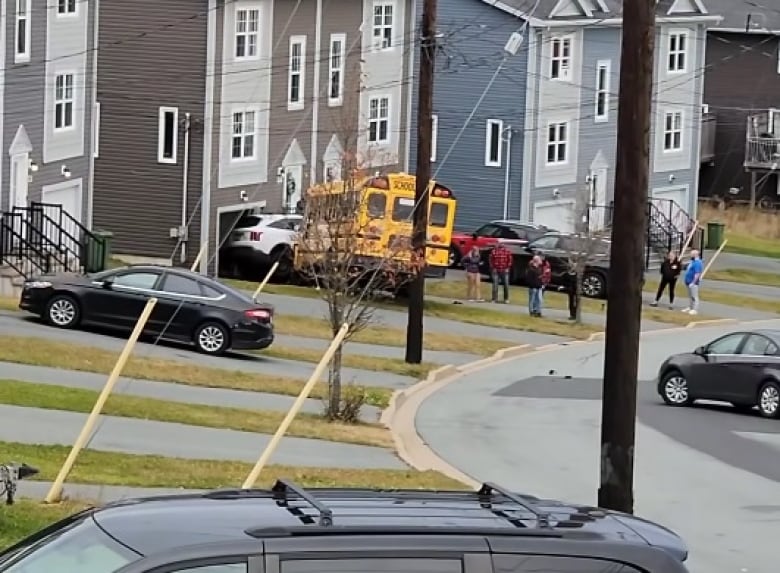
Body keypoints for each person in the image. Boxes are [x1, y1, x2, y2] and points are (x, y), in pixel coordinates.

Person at [682, 249, 704, 315]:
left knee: (694, 296)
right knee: (690, 296)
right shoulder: (692, 262)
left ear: (695, 255)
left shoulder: (697, 263)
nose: (690, 255)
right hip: (688, 281)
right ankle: (690, 307)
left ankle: (695, 309)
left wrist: (693, 282)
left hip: (693, 282)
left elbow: (697, 274)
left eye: (691, 254)